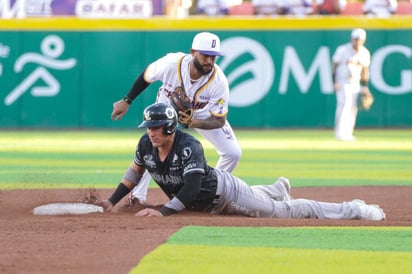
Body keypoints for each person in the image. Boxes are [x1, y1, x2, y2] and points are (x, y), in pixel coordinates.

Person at [97, 102, 385, 221]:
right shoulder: (146, 144)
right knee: (270, 200)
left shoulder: (189, 146)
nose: (150, 131)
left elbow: (192, 185)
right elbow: (133, 175)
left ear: (170, 128)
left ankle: (354, 209)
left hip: (224, 194)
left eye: (155, 127)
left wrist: (162, 211)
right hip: (203, 204)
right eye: (148, 126)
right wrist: (113, 201)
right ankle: (274, 188)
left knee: (281, 212)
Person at [111, 32, 242, 205]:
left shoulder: (219, 81)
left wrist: (193, 122)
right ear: (193, 52)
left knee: (233, 153)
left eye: (213, 57)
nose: (209, 61)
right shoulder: (172, 64)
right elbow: (146, 76)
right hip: (167, 106)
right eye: (205, 56)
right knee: (155, 144)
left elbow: (219, 120)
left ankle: (212, 190)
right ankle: (136, 197)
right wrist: (127, 100)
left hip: (201, 114)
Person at [332, 28, 372, 142]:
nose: (357, 42)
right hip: (342, 81)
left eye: (360, 40)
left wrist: (365, 86)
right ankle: (340, 132)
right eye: (356, 39)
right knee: (344, 104)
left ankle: (348, 133)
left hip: (355, 82)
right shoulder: (343, 50)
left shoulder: (364, 52)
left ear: (363, 40)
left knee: (352, 107)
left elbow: (365, 70)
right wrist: (334, 81)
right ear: (352, 39)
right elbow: (334, 65)